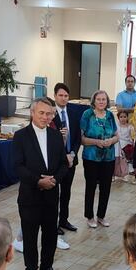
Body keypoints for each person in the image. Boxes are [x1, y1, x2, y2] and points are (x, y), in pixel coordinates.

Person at [13, 97, 69, 270]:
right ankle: (31, 268)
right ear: (32, 113)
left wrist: (54, 180)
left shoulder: (55, 136)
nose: (46, 117)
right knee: (30, 235)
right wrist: (38, 181)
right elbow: (18, 166)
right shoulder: (21, 136)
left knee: (50, 233)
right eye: (42, 113)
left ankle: (47, 266)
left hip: (51, 194)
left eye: (49, 114)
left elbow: (64, 164)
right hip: (30, 195)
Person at [79, 90, 118, 228]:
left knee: (106, 188)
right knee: (91, 187)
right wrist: (96, 142)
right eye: (99, 99)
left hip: (108, 158)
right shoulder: (87, 114)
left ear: (107, 102)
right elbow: (81, 139)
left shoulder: (110, 115)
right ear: (94, 101)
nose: (101, 102)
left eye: (104, 99)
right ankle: (89, 216)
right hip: (91, 158)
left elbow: (117, 136)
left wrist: (111, 141)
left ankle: (101, 216)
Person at [51, 82, 79, 234]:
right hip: (56, 161)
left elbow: (77, 137)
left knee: (66, 192)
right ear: (55, 96)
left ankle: (64, 220)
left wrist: (72, 154)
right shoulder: (50, 114)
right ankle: (53, 223)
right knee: (54, 194)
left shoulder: (73, 113)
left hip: (70, 160)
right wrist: (63, 155)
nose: (63, 98)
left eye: (66, 96)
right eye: (60, 95)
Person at [113, 109, 134, 182]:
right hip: (117, 145)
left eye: (125, 117)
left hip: (126, 146)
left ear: (127, 117)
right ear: (118, 118)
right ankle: (114, 174)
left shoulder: (130, 127)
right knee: (116, 161)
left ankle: (124, 175)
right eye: (121, 117)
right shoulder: (116, 126)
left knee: (125, 162)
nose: (123, 118)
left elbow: (131, 138)